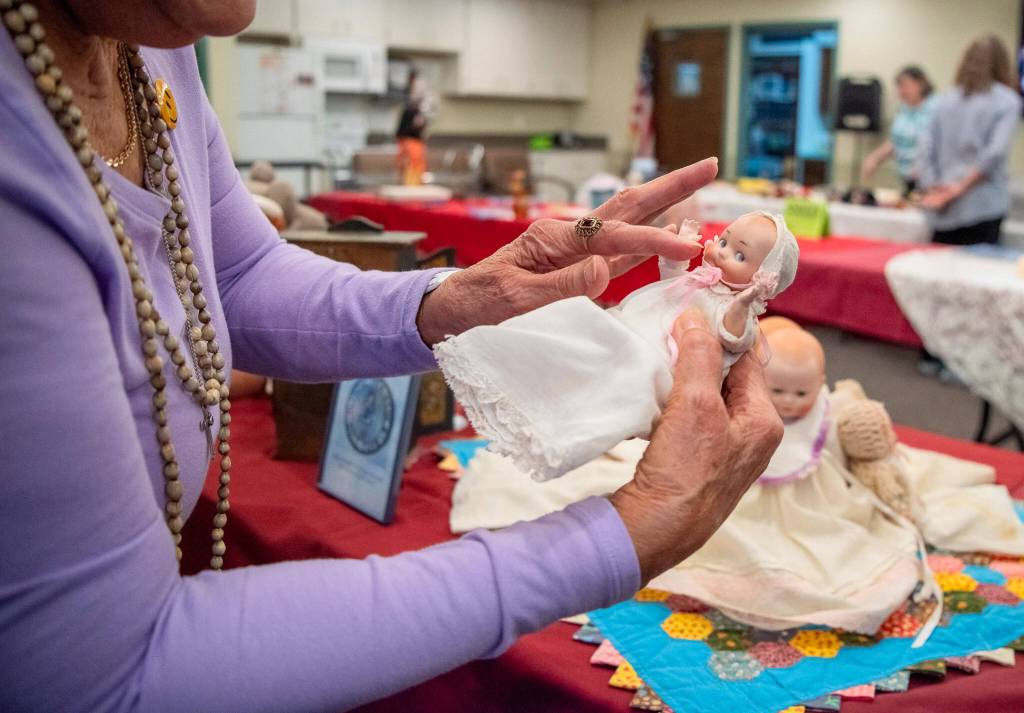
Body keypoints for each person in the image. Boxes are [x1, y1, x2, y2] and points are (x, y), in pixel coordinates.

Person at [0, 2, 783, 712]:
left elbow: (236, 273)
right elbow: (106, 672)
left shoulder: (149, 47)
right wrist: (628, 533)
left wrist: (450, 301)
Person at [918, 34, 1022, 245]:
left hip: (942, 208)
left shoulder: (942, 101)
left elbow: (925, 149)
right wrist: (957, 190)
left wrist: (936, 189)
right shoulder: (1007, 101)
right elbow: (994, 153)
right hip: (982, 208)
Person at [860, 65, 935, 195]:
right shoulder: (904, 110)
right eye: (899, 86)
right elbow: (897, 141)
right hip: (907, 178)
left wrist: (923, 166)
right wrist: (874, 158)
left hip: (929, 181)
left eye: (905, 86)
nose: (901, 91)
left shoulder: (935, 109)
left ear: (921, 84)